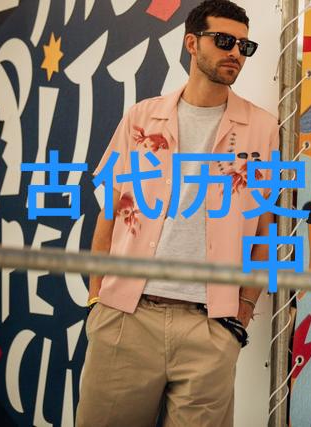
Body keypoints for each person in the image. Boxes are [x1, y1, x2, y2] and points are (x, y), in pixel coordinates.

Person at [76, 1, 278, 425]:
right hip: (126, 317)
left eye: (244, 46)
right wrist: (97, 299)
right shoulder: (142, 117)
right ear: (192, 43)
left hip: (210, 328)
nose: (235, 53)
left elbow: (265, 231)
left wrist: (240, 315)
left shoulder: (262, 129)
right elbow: (109, 213)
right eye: (224, 41)